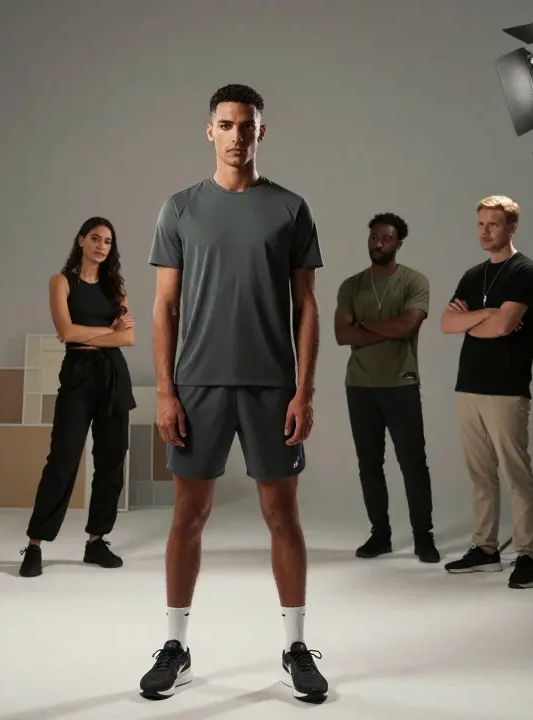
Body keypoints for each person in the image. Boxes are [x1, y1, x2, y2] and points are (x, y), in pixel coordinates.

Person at [139, 83, 328, 703]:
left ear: (260, 133)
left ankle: (296, 647)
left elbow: (306, 306)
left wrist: (304, 389)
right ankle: (175, 646)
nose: (237, 135)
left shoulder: (290, 208)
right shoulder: (180, 208)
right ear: (210, 131)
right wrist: (166, 392)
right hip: (198, 384)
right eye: (226, 125)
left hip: (273, 384)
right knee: (188, 517)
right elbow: (164, 308)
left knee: (283, 517)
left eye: (247, 126)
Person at [19, 217, 136, 577]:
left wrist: (91, 336)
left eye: (108, 241)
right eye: (96, 239)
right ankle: (35, 545)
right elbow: (66, 331)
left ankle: (96, 541)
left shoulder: (117, 288)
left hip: (113, 377)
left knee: (111, 461)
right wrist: (106, 332)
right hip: (78, 377)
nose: (102, 246)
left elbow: (128, 339)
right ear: (81, 240)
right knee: (63, 459)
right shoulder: (61, 282)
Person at [439, 195, 533, 589]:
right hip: (469, 385)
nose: (486, 231)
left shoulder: (525, 272)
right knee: (480, 474)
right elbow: (447, 324)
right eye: (481, 224)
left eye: (494, 224)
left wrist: (476, 321)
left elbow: (504, 328)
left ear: (512, 227)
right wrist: (485, 315)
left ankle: (527, 556)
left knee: (517, 474)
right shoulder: (472, 274)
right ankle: (486, 549)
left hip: (507, 388)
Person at [334, 212, 438, 562]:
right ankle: (381, 534)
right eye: (374, 237)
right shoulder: (351, 286)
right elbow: (341, 334)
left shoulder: (414, 282)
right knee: (369, 464)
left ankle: (423, 536)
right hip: (359, 387)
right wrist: (382, 327)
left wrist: (363, 324)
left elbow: (408, 327)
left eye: (387, 238)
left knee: (413, 463)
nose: (379, 243)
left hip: (401, 385)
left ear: (399, 243)